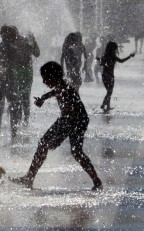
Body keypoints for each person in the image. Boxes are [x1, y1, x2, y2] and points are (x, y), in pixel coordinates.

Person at [11, 61, 102, 190]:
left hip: (76, 120)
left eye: (45, 78)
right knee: (70, 150)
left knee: (71, 150)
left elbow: (71, 113)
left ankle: (29, 178)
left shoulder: (67, 89)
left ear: (53, 77)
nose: (43, 82)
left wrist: (59, 135)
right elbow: (54, 92)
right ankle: (96, 181)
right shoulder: (62, 86)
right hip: (72, 120)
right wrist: (43, 98)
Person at [98, 41, 134, 112]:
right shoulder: (112, 56)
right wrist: (130, 56)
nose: (115, 50)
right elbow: (121, 61)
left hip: (104, 75)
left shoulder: (105, 55)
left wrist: (99, 59)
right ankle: (103, 104)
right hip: (110, 76)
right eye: (115, 48)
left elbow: (101, 64)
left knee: (109, 91)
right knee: (110, 92)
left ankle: (108, 106)